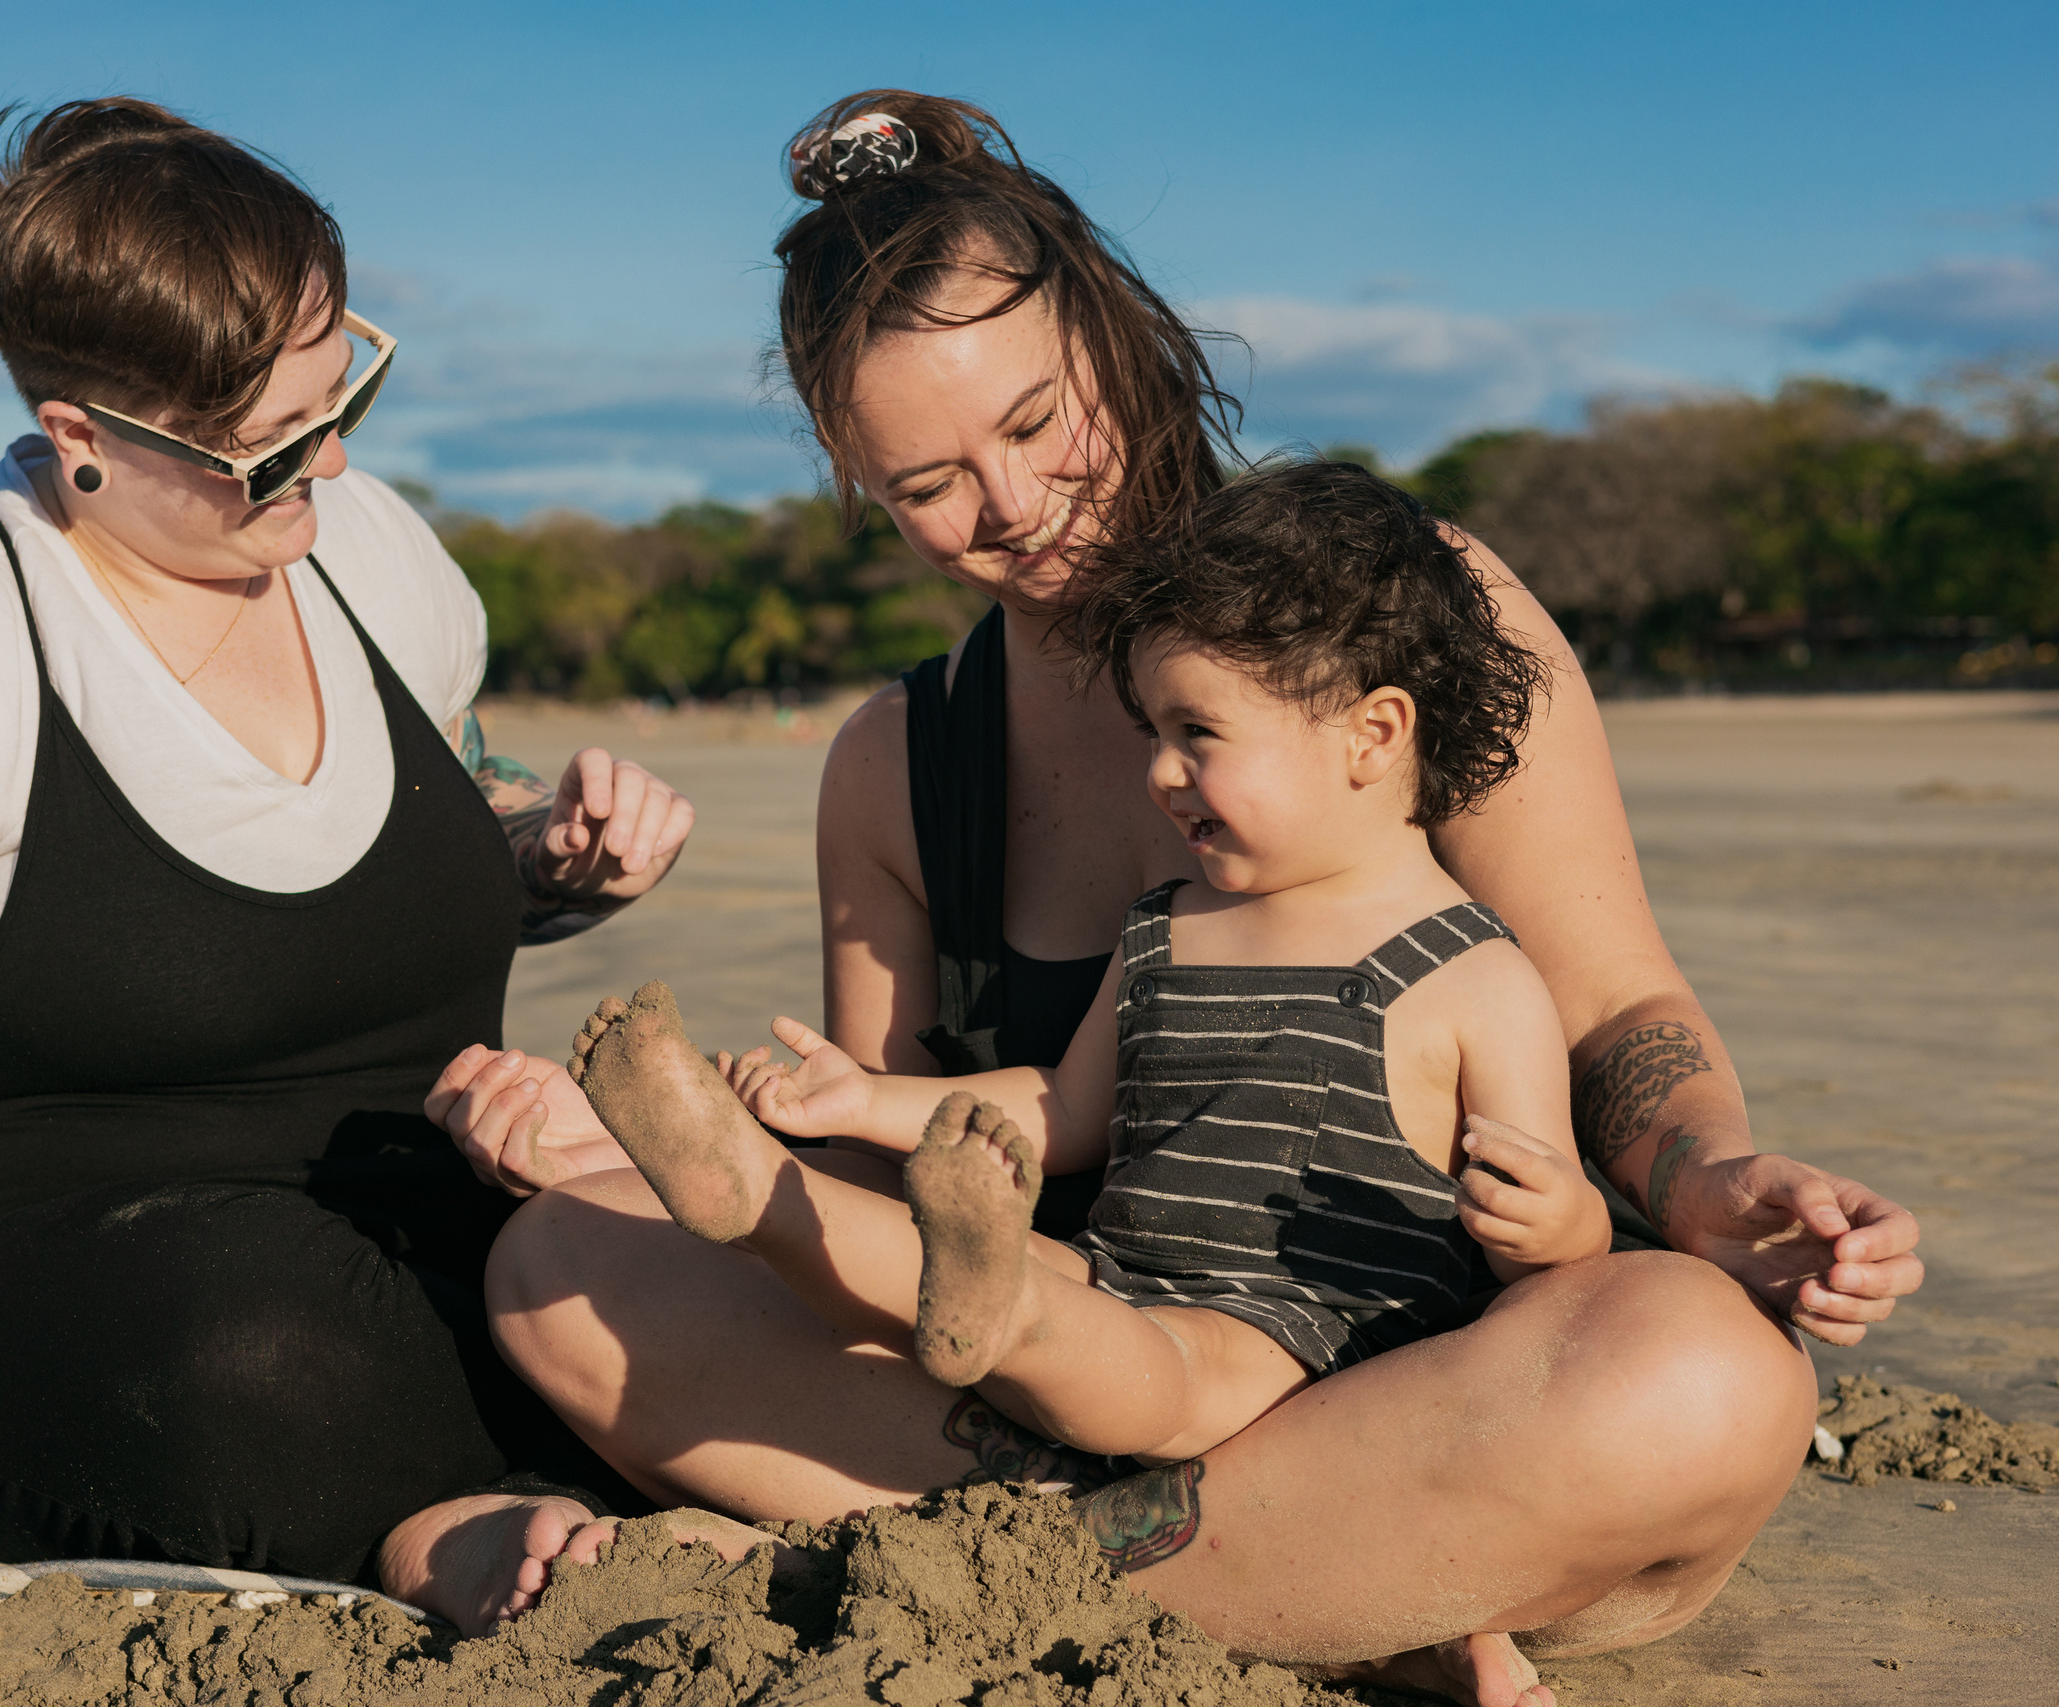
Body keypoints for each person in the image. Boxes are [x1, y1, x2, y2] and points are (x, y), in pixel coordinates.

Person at [432, 91, 1925, 1705]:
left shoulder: (1400, 610)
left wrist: (1706, 1177)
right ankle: (1316, 1591)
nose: (1008, 506)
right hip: (1085, 1361)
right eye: (928, 481)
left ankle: (904, 1568)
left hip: (1430, 1384)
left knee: (1703, 1378)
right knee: (557, 1269)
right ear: (861, 484)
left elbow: (1616, 1007)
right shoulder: (893, 768)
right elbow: (906, 1167)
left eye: (1034, 420)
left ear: (1112, 324)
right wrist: (635, 1157)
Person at [0, 96, 759, 1643]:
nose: (330, 460)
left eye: (348, 392)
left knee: (708, 1225)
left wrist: (558, 850)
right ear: (82, 435)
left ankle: (519, 1475)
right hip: (43, 1282)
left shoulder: (370, 548)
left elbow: (449, 821)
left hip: (409, 1204)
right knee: (266, 1350)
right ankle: (440, 1530)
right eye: (267, 445)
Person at [567, 460, 1614, 1471]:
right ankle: (764, 1197)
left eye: (1196, 732)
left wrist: (1555, 1222)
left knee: (1164, 1360)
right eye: (1152, 730)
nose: (1159, 772)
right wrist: (862, 1101)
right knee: (975, 1268)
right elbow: (1060, 1109)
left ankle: (1004, 1312)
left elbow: (1550, 1239)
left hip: (1304, 1348)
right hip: (1114, 1276)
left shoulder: (1473, 973)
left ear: (1371, 734)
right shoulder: (1168, 925)